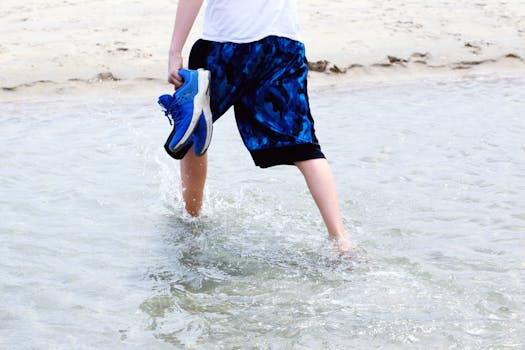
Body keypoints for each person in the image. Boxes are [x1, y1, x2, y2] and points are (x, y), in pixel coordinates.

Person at [165, 0, 352, 253]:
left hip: (223, 45)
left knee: (193, 127)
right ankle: (341, 241)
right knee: (305, 148)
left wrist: (175, 51)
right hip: (282, 47)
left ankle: (192, 219)